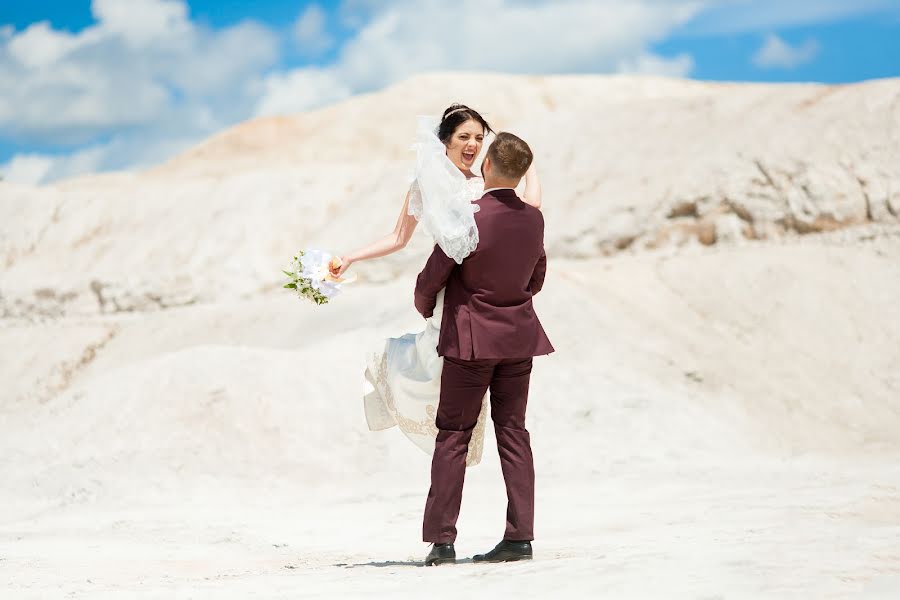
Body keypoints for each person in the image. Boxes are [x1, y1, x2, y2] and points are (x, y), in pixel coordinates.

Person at [331, 104, 542, 466]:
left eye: (479, 137)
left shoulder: (484, 185)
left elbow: (530, 205)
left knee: (463, 406)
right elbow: (398, 237)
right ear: (444, 141)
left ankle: (451, 462)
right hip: (451, 302)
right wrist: (351, 257)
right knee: (424, 378)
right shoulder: (426, 187)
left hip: (478, 304)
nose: (473, 144)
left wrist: (529, 161)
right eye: (464, 137)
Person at [415, 132, 553, 566]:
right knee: (514, 433)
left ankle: (443, 541)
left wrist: (424, 307)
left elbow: (434, 273)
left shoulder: (468, 213)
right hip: (518, 339)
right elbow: (537, 277)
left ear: (489, 165)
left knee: (453, 435)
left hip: (470, 341)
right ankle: (520, 537)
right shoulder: (534, 218)